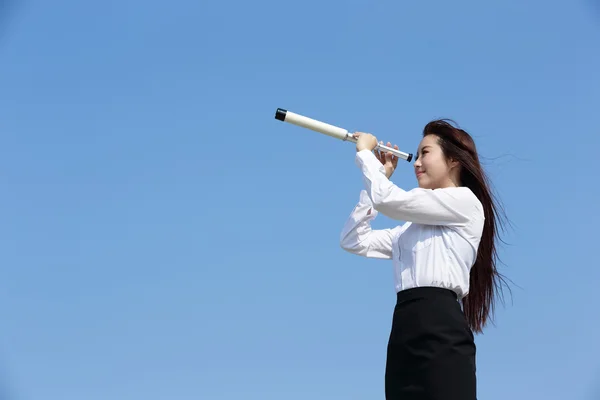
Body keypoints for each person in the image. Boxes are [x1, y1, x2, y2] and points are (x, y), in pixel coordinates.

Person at [340, 119, 508, 400]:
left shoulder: (465, 202)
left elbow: (390, 202)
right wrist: (379, 178)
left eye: (425, 153)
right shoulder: (407, 231)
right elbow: (353, 240)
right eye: (416, 155)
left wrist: (365, 156)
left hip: (441, 328)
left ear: (453, 159)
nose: (416, 163)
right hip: (403, 332)